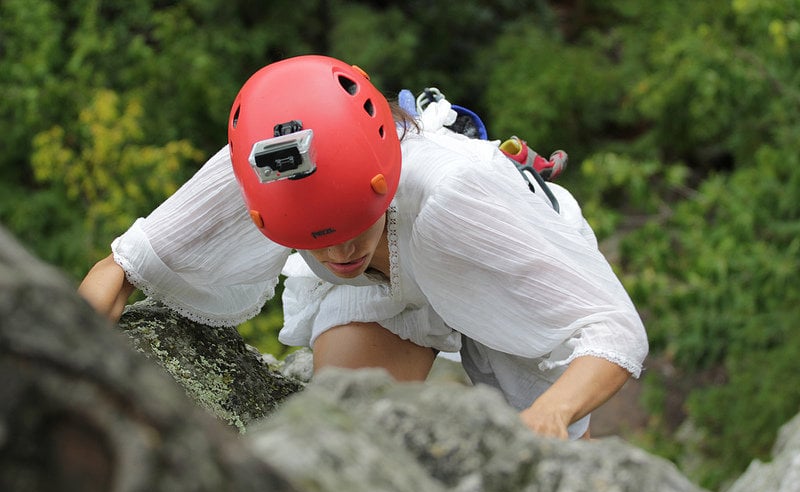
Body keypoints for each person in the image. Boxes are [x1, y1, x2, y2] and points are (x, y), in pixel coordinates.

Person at [79, 55, 648, 440]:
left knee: (541, 460)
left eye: (352, 223)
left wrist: (549, 414)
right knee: (343, 431)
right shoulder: (261, 167)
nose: (338, 254)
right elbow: (121, 266)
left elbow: (614, 331)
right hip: (390, 287)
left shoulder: (456, 192)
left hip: (485, 258)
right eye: (313, 239)